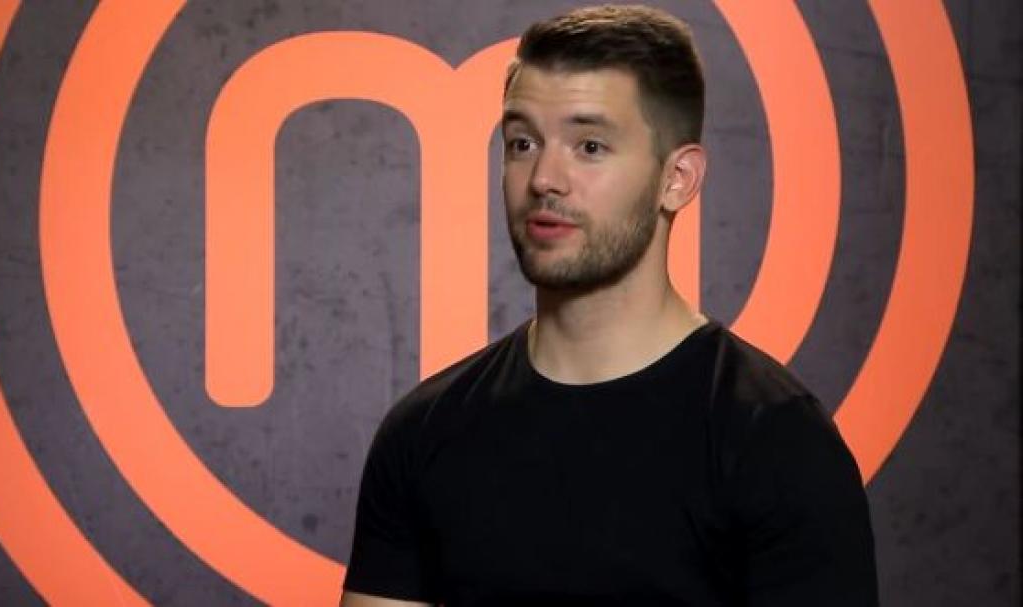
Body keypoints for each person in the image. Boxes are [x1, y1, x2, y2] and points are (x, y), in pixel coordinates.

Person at [340, 5, 878, 606]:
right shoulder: (424, 431)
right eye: (523, 143)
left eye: (590, 146)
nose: (544, 177)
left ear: (678, 179)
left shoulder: (776, 441)